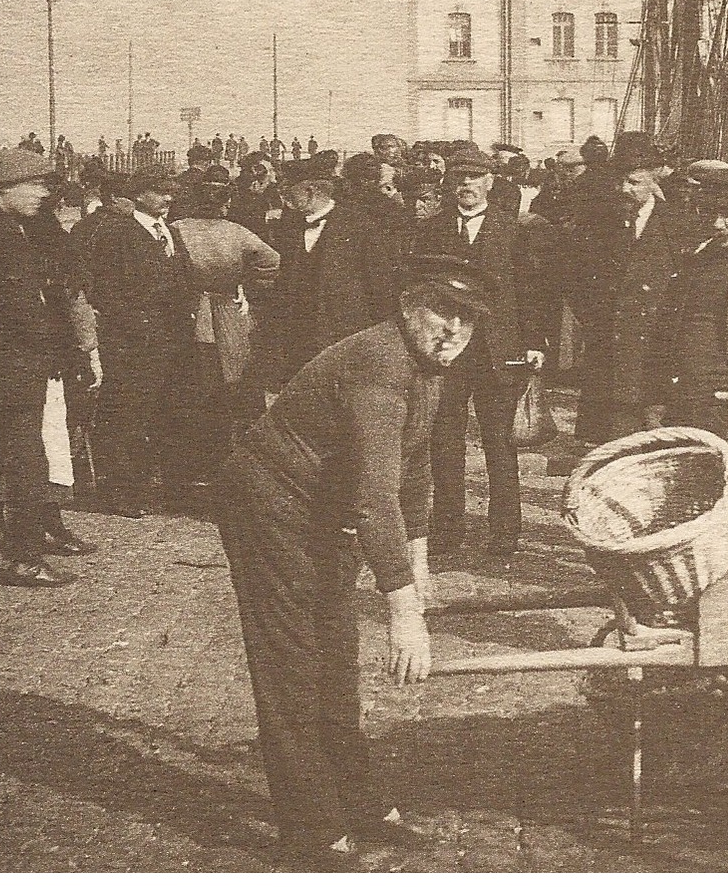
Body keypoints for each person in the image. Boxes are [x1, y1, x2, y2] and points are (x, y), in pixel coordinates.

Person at [217, 256, 491, 869]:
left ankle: (356, 800)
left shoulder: (428, 367)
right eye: (440, 312)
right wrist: (403, 613)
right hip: (272, 502)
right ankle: (310, 829)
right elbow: (374, 497)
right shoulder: (380, 362)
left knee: (334, 651)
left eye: (466, 320)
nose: (452, 331)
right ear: (406, 305)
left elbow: (413, 466)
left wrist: (417, 561)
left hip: (320, 508)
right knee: (293, 658)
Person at [0, 149, 100, 588]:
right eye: (33, 185)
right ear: (0, 188)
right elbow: (21, 309)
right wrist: (64, 349)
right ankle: (24, 558)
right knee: (26, 460)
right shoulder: (3, 234)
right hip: (12, 364)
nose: (43, 193)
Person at [410, 149, 547, 554]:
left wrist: (534, 342)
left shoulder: (513, 229)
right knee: (445, 439)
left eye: (474, 177)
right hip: (448, 350)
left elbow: (530, 290)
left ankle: (505, 532)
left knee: (500, 442)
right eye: (459, 178)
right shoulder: (432, 230)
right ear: (448, 184)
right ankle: (448, 529)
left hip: (498, 350)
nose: (466, 185)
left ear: (490, 181)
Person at [643, 161, 728, 467]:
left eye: (727, 214)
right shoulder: (695, 262)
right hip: (686, 406)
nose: (716, 224)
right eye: (710, 213)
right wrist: (656, 397)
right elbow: (664, 334)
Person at [81, 170, 190, 518]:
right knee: (126, 414)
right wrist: (136, 325)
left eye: (171, 192)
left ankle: (145, 485)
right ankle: (119, 491)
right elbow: (104, 289)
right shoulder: (118, 233)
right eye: (161, 192)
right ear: (139, 195)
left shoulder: (169, 232)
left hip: (168, 339)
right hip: (131, 341)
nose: (168, 198)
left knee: (157, 412)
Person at [168, 166, 281, 491]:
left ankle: (197, 463)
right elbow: (272, 261)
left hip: (190, 311)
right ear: (226, 203)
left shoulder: (178, 229)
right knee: (236, 379)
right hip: (230, 311)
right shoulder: (237, 232)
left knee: (195, 381)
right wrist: (246, 282)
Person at [567, 140, 682, 443]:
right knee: (610, 443)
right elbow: (577, 280)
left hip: (654, 351)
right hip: (608, 349)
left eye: (633, 182)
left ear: (654, 180)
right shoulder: (599, 222)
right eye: (619, 180)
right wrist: (596, 323)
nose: (623, 189)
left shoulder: (676, 225)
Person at [260, 177, 403, 387]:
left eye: (289, 195)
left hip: (342, 329)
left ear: (311, 191)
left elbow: (379, 285)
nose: (284, 202)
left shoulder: (359, 225)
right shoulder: (290, 226)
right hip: (299, 331)